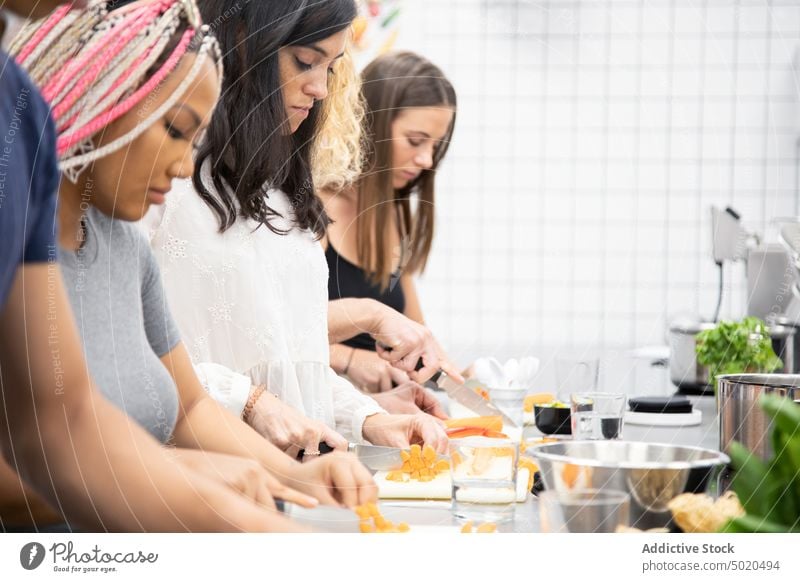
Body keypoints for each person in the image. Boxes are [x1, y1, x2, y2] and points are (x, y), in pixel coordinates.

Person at [1, 0, 373, 533]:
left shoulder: (124, 248)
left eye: (194, 141)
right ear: (97, 97)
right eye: (174, 131)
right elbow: (53, 438)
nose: (180, 167)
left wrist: (301, 479)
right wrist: (177, 474)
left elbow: (184, 408)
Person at [143, 0, 449, 453]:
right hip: (187, 483)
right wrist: (248, 403)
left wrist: (366, 416)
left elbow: (289, 361)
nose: (321, 89)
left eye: (331, 68)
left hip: (283, 487)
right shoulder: (158, 177)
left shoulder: (284, 192)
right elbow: (124, 351)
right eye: (306, 62)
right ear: (244, 44)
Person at [320, 52, 457, 397]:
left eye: (435, 146)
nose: (426, 160)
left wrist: (456, 378)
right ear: (373, 126)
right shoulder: (316, 208)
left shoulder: (395, 215)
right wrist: (350, 359)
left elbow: (417, 332)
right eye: (415, 141)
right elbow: (275, 332)